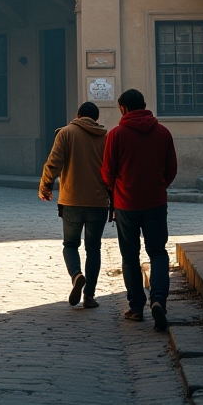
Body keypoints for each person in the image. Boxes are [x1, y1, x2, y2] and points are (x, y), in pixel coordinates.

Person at [100, 88, 178, 330]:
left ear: (123, 108)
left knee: (130, 255)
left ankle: (136, 307)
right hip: (155, 202)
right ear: (144, 105)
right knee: (158, 252)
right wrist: (159, 186)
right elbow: (171, 168)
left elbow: (107, 172)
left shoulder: (116, 134)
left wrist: (115, 188)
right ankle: (159, 299)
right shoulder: (162, 132)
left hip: (126, 204)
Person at [39, 100, 111, 309]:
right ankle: (89, 296)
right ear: (96, 119)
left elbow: (54, 163)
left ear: (78, 115)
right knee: (94, 249)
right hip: (98, 202)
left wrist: (45, 185)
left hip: (71, 201)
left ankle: (76, 275)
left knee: (70, 245)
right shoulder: (105, 137)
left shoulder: (66, 133)